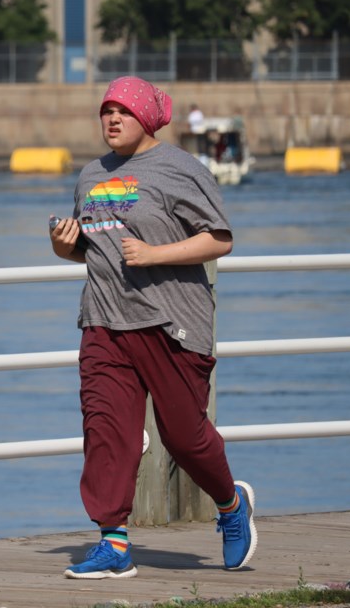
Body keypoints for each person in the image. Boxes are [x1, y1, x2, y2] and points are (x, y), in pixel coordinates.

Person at [48, 76, 256, 580]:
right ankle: (113, 542)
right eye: (106, 111)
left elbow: (220, 239)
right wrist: (62, 244)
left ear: (146, 116)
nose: (112, 119)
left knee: (184, 437)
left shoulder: (180, 168)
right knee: (106, 432)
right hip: (103, 321)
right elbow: (89, 248)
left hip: (170, 322)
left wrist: (156, 254)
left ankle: (231, 505)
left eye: (123, 111)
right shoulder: (91, 175)